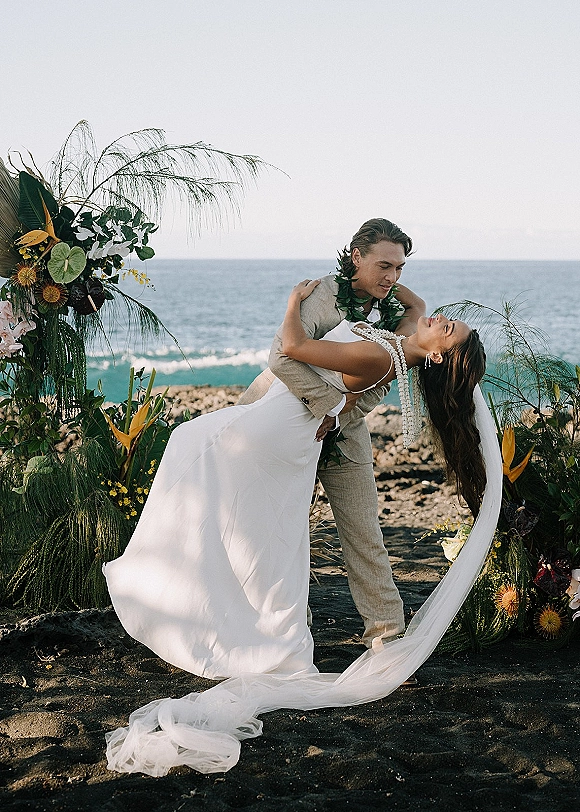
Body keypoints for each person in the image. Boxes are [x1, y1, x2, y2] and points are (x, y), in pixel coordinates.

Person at [103, 279, 502, 777]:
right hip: (290, 426)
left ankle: (186, 594)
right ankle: (206, 598)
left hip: (282, 428)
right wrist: (389, 284)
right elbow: (417, 307)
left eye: (450, 330)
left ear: (440, 357)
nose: (440, 319)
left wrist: (293, 301)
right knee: (259, 526)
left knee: (193, 449)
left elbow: (290, 349)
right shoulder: (404, 346)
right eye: (448, 319)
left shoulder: (384, 359)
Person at [238, 218, 425, 648]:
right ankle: (287, 636)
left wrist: (340, 416)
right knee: (283, 531)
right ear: (355, 256)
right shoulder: (322, 295)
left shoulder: (391, 308)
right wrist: (326, 406)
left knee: (365, 532)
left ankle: (386, 638)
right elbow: (281, 359)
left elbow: (384, 373)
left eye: (399, 269)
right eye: (383, 266)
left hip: (346, 426)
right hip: (285, 419)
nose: (391, 277)